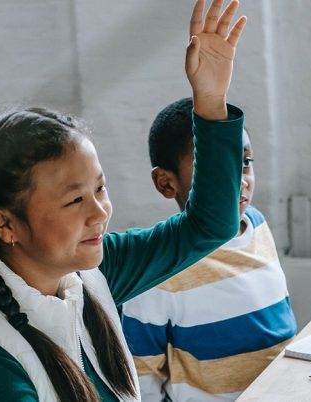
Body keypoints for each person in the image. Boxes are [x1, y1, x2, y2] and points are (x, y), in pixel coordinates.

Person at [0, 1, 248, 401]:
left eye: (100, 189)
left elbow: (211, 225)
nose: (100, 213)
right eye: (74, 201)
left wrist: (210, 99)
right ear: (4, 223)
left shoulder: (84, 273)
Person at [121, 98, 297, 402]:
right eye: (214, 168)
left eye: (244, 162)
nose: (239, 180)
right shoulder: (159, 267)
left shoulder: (256, 224)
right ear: (166, 183)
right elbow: (140, 380)